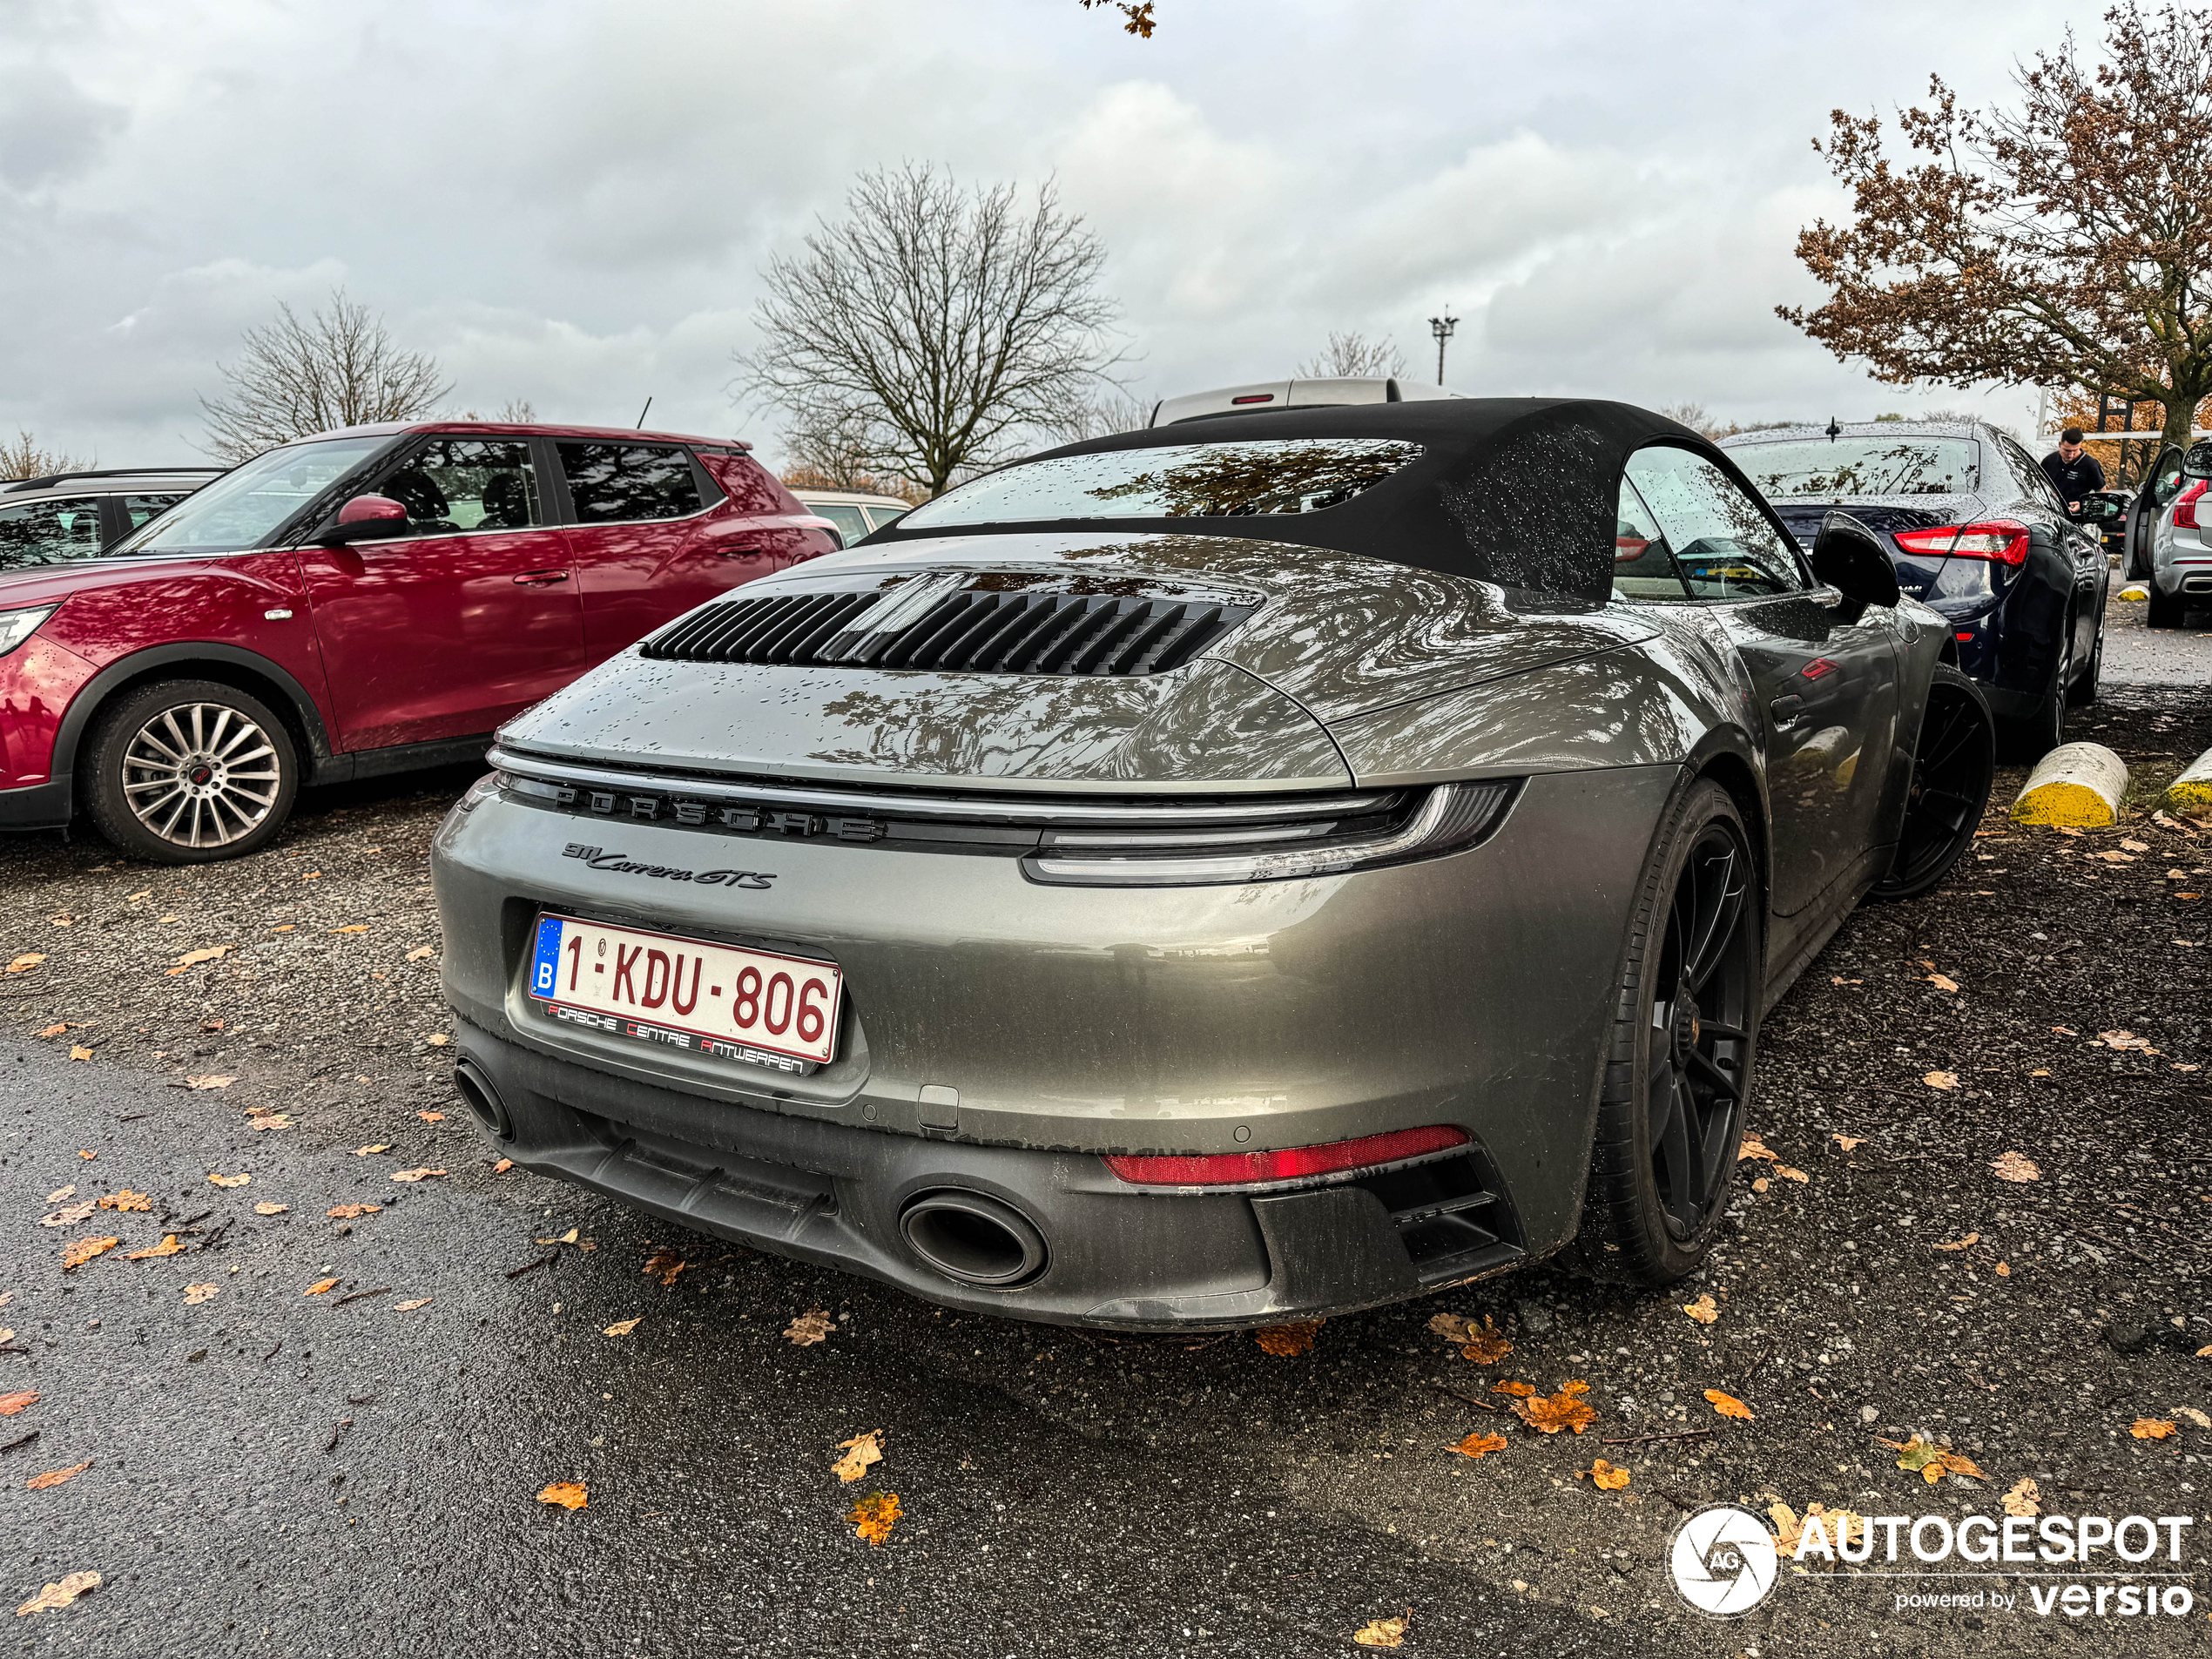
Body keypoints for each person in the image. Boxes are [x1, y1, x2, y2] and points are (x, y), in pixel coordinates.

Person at [2041, 428, 2107, 510]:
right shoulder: (2049, 460)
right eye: (2067, 451)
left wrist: (2083, 505)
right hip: (2047, 510)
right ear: (2060, 444)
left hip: (2074, 516)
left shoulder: (2091, 465)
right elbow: (2039, 484)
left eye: (2075, 451)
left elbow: (2102, 494)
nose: (2071, 455)